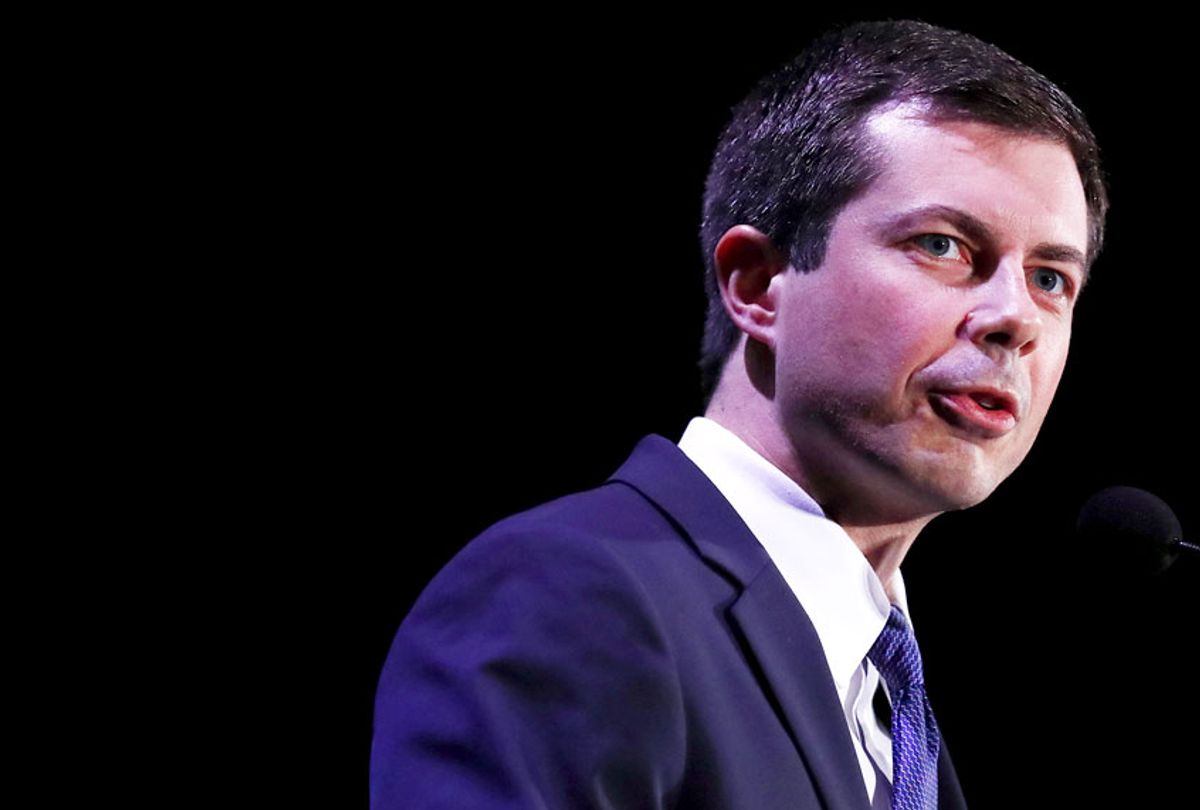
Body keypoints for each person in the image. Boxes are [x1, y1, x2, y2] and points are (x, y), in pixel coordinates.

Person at [371, 19, 1108, 810]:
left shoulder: (888, 699)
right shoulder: (564, 595)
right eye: (942, 245)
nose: (1015, 319)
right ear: (758, 284)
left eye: (1050, 279)